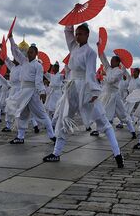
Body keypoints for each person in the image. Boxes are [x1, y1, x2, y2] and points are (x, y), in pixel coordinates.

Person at [44, 23, 124, 168]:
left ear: (87, 35)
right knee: (64, 119)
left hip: (85, 89)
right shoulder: (74, 47)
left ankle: (117, 154)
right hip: (72, 88)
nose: (77, 36)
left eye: (81, 34)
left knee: (103, 121)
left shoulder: (90, 53)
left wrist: (94, 92)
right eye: (77, 33)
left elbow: (90, 74)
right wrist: (71, 21)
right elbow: (68, 33)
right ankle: (56, 153)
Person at [6, 36, 55, 144]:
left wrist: (42, 92)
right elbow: (16, 51)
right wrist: (11, 39)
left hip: (32, 92)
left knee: (42, 114)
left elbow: (38, 81)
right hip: (23, 91)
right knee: (22, 114)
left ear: (36, 53)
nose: (29, 54)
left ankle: (52, 135)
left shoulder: (38, 66)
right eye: (28, 52)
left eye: (31, 52)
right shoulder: (24, 61)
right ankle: (20, 136)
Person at [98, 49, 137, 139]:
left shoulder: (119, 72)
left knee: (123, 115)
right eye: (111, 60)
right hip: (107, 94)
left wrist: (104, 75)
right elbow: (103, 60)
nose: (111, 62)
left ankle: (132, 131)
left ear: (117, 62)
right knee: (101, 112)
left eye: (113, 61)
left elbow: (111, 80)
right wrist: (100, 49)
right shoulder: (108, 68)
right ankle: (98, 130)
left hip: (114, 95)